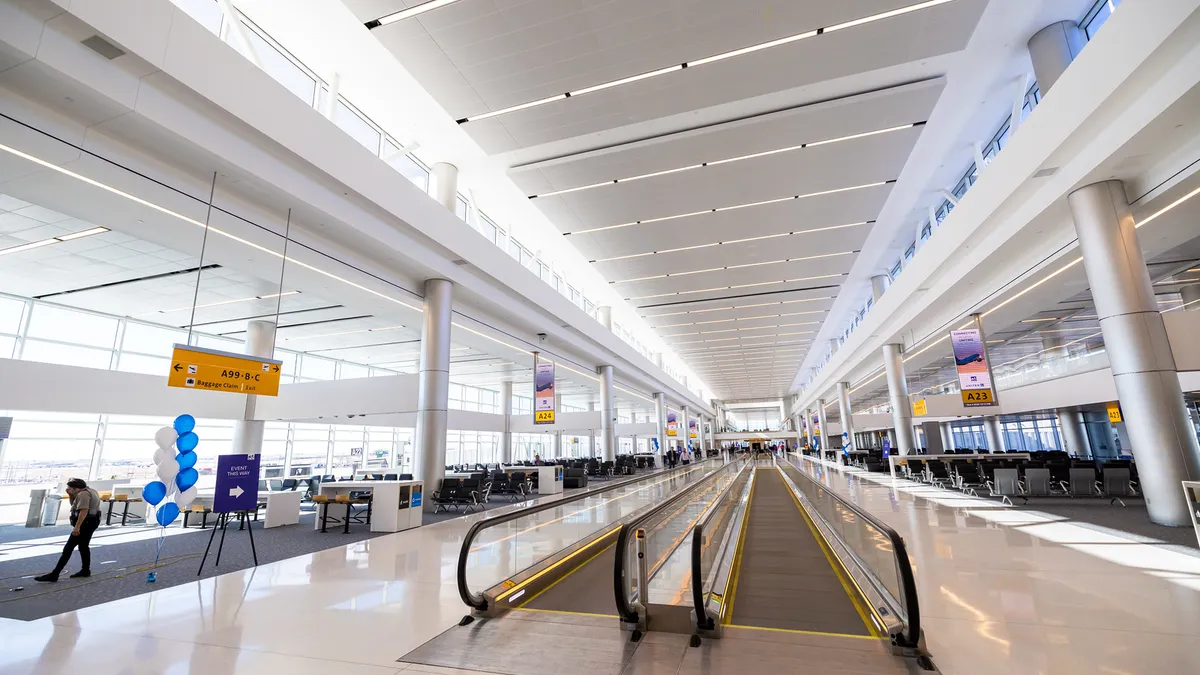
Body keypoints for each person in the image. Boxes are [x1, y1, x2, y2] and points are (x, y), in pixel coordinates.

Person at [36, 478, 102, 582]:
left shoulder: (83, 495)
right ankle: (85, 570)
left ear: (76, 488)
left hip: (85, 523)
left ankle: (55, 574)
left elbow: (83, 511)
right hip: (92, 522)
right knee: (83, 546)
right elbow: (74, 505)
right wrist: (71, 495)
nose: (68, 490)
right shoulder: (90, 491)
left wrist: (77, 527)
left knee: (68, 548)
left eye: (70, 488)